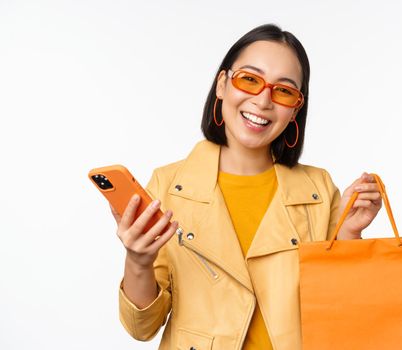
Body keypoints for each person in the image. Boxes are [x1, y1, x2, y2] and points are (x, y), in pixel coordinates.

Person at [111, 24, 382, 350]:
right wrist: (138, 261)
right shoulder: (168, 187)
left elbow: (343, 316)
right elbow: (143, 328)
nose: (263, 100)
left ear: (296, 108)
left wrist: (349, 234)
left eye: (283, 91)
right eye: (249, 80)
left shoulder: (319, 190)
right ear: (222, 84)